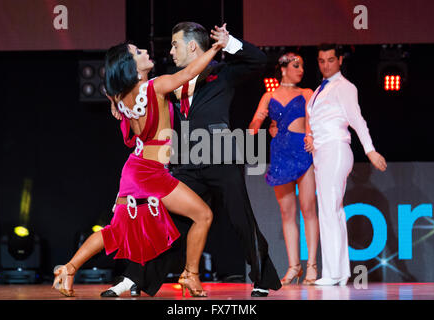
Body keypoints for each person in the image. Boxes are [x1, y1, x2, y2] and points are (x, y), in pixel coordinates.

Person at [108, 22, 282, 297]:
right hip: (186, 161)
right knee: (165, 222)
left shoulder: (221, 73)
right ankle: (132, 279)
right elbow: (136, 96)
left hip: (221, 156)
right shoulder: (170, 80)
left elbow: (258, 61)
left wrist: (229, 43)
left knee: (241, 220)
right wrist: (116, 102)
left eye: (175, 45)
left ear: (191, 46)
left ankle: (260, 278)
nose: (171, 51)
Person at [52, 34, 227, 297]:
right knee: (203, 215)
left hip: (135, 169)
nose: (145, 51)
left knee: (115, 232)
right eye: (137, 51)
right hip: (151, 173)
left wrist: (113, 101)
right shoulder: (156, 87)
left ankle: (68, 268)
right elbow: (190, 71)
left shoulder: (122, 97)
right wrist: (216, 46)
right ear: (131, 66)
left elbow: (110, 92)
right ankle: (190, 274)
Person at [304, 43, 387, 286]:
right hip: (322, 151)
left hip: (336, 149)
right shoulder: (321, 88)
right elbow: (319, 120)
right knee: (331, 210)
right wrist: (311, 138)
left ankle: (333, 272)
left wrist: (370, 150)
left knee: (330, 210)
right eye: (321, 60)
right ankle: (340, 272)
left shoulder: (345, 87)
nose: (326, 64)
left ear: (340, 60)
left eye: (330, 59)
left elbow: (357, 120)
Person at [249, 53, 319, 285]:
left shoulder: (306, 93)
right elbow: (257, 117)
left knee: (308, 208)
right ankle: (294, 266)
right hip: (280, 154)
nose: (300, 70)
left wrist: (310, 134)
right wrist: (256, 126)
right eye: (295, 66)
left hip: (303, 152)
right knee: (287, 213)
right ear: (283, 68)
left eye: (302, 66)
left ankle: (311, 265)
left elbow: (311, 117)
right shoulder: (269, 96)